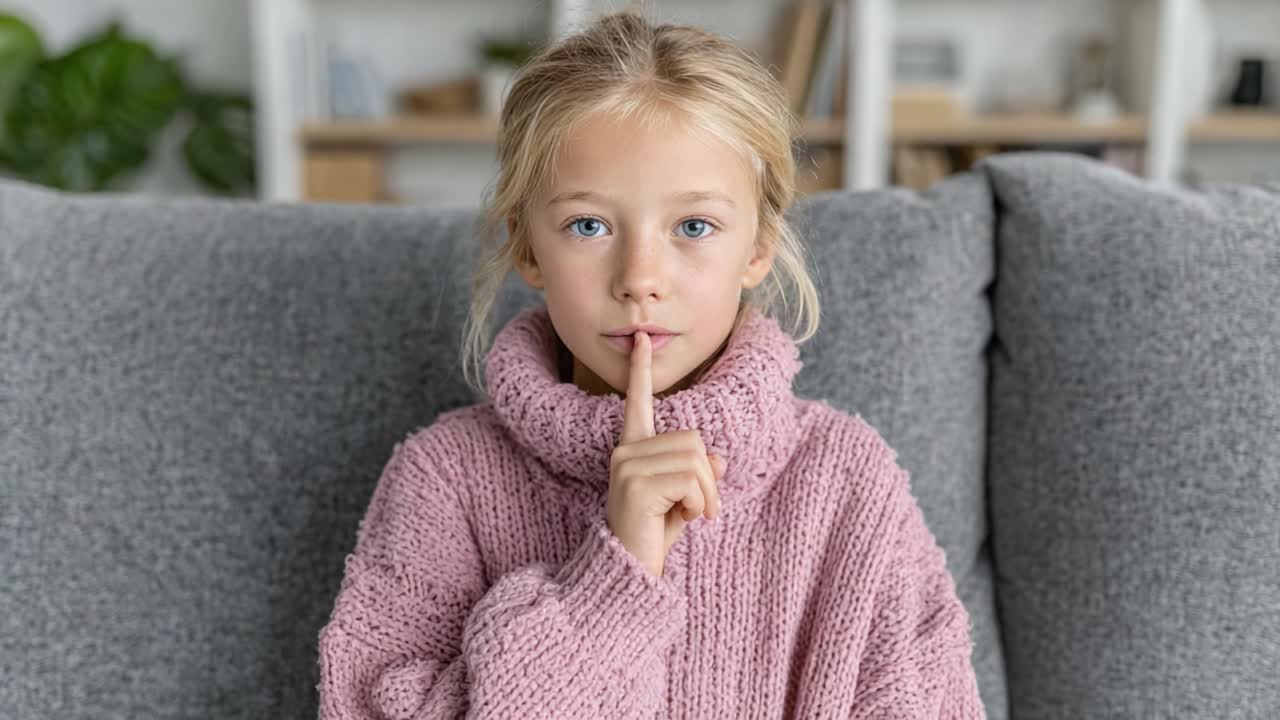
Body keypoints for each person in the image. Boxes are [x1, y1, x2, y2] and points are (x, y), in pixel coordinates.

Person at [316, 7, 985, 719]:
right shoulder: (443, 480)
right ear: (529, 248)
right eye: (589, 225)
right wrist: (613, 580)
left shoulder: (849, 481)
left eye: (694, 226)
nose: (640, 277)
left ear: (758, 246)